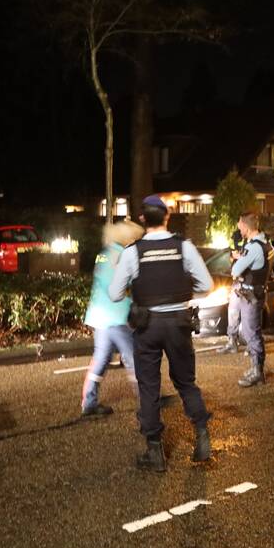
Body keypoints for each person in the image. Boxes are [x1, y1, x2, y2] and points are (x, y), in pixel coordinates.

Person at [109, 195, 214, 472]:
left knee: (149, 386)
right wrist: (181, 294)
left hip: (148, 325)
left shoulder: (133, 252)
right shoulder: (184, 247)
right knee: (185, 382)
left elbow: (114, 293)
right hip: (179, 322)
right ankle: (202, 436)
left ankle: (155, 452)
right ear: (167, 216)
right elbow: (207, 284)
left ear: (143, 219)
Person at [80, 220, 145, 416]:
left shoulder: (104, 254)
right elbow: (128, 283)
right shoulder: (123, 255)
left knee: (101, 359)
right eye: (135, 239)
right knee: (135, 357)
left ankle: (89, 402)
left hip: (99, 315)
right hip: (116, 315)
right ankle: (148, 399)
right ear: (128, 238)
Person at [231, 211, 274, 387]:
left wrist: (238, 259)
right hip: (256, 291)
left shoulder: (254, 247)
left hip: (251, 295)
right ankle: (256, 368)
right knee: (250, 331)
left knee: (251, 332)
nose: (238, 228)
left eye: (240, 225)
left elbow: (235, 271)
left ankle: (257, 372)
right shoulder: (265, 243)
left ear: (247, 227)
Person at [218, 228, 246, 354]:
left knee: (247, 315)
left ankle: (252, 346)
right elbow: (231, 253)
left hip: (247, 283)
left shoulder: (254, 242)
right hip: (236, 283)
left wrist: (241, 256)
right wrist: (232, 255)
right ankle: (232, 341)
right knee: (233, 312)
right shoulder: (236, 236)